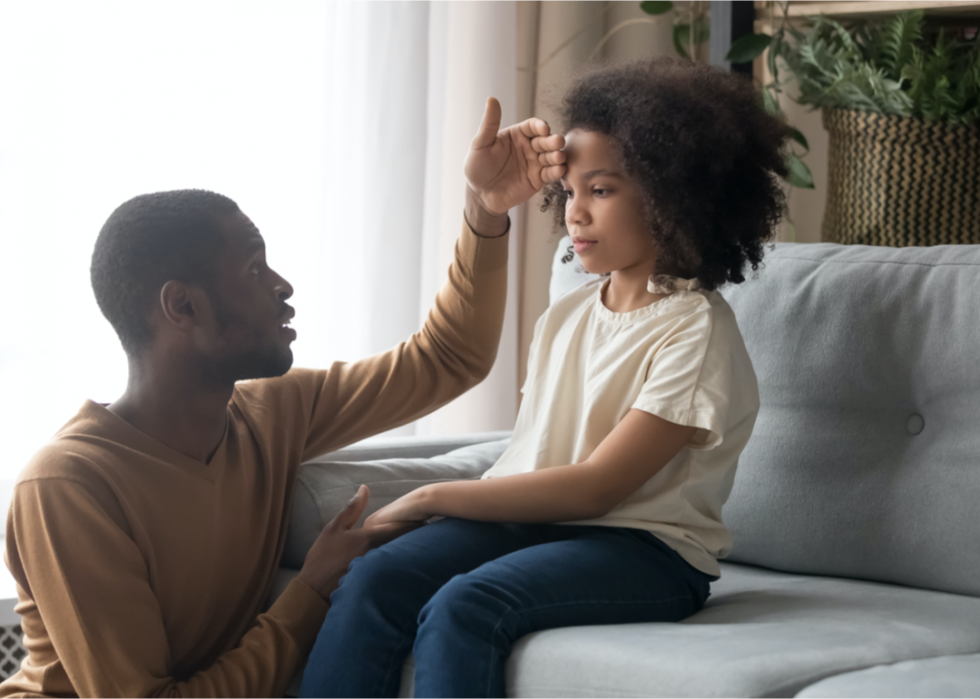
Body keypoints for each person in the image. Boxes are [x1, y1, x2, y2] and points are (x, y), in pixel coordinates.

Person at [0, 98, 568, 698]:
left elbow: (448, 358)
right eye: (253, 269)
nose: (283, 286)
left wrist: (484, 210)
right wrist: (310, 593)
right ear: (183, 306)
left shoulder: (272, 413)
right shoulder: (69, 488)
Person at [299, 57, 789, 698]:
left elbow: (594, 490)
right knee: (373, 577)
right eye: (571, 191)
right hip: (540, 524)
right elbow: (534, 462)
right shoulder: (569, 313)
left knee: (465, 606)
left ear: (673, 197)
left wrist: (428, 497)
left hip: (646, 551)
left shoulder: (693, 331)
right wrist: (486, 200)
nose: (575, 214)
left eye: (603, 190)